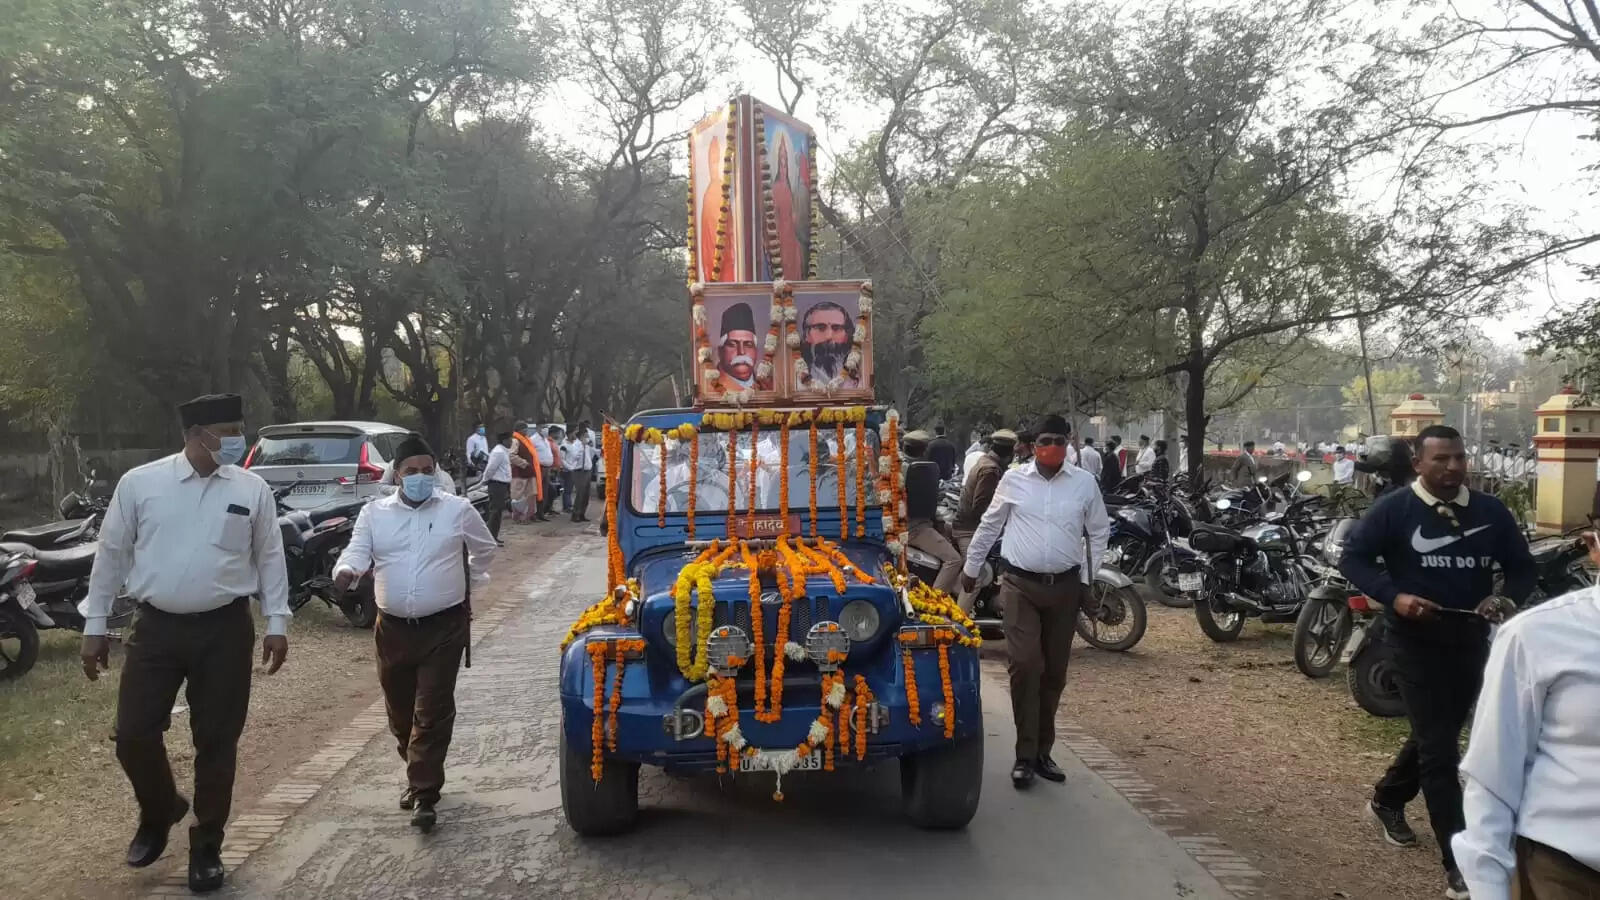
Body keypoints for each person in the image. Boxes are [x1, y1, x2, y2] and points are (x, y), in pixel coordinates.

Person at [78, 393, 291, 894]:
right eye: (229, 430)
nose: (238, 439)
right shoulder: (141, 484)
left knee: (216, 742)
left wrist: (277, 620)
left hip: (224, 629)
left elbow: (270, 555)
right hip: (156, 629)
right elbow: (110, 554)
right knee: (132, 734)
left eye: (240, 429)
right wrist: (94, 627)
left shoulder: (251, 488)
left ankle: (207, 846)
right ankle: (161, 809)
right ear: (197, 435)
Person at [1339, 425, 1535, 900]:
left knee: (1437, 733)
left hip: (1470, 640)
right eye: (1441, 459)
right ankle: (1459, 862)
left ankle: (1387, 799)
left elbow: (1523, 567)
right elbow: (1354, 560)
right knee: (1442, 750)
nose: (1452, 467)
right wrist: (1394, 596)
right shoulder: (1394, 510)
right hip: (1412, 642)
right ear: (1418, 464)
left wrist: (1504, 600)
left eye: (1459, 458)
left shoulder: (1490, 512)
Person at [333, 434, 496, 834]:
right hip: (392, 629)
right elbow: (357, 550)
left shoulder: (457, 510)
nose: (420, 478)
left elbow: (485, 549)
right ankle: (416, 769)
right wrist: (347, 570)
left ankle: (424, 792)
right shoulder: (375, 513)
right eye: (411, 472)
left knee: (432, 710)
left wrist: (467, 581)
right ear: (397, 475)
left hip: (444, 626)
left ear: (435, 471)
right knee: (400, 712)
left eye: (427, 470)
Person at [959, 414, 1109, 790]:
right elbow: (991, 524)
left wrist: (1089, 582)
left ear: (1068, 440)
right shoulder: (1014, 479)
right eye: (1045, 439)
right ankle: (1024, 756)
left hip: (1065, 588)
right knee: (1026, 665)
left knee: (1054, 674)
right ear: (1032, 444)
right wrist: (973, 566)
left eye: (1059, 439)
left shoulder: (1084, 484)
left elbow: (1098, 532)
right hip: (1019, 586)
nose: (1052, 446)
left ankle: (1043, 752)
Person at [1454, 542, 1600, 900]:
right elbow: (1493, 777)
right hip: (1567, 877)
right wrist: (1488, 887)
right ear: (1596, 545)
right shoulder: (1537, 636)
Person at [900, 430, 962, 594]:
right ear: (925, 449)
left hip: (905, 525)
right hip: (915, 527)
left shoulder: (893, 466)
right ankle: (935, 603)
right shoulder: (923, 470)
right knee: (954, 560)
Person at [799, 301, 859, 388]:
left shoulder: (861, 375)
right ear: (807, 335)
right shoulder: (794, 376)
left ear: (846, 335)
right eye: (820, 328)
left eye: (837, 328)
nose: (829, 336)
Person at [715, 302, 761, 390]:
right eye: (733, 344)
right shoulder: (710, 387)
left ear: (756, 351)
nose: (742, 352)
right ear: (720, 352)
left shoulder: (768, 387)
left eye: (748, 345)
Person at [482, 431, 514, 540]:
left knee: (499, 511)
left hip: (502, 484)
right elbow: (490, 468)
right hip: (496, 484)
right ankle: (490, 537)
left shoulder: (504, 451)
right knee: (495, 511)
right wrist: (485, 480)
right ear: (504, 441)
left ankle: (494, 536)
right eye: (510, 440)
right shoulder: (499, 452)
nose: (511, 442)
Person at [564, 427, 594, 522]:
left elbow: (592, 454)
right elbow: (575, 457)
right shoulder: (576, 445)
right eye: (586, 436)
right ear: (581, 436)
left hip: (587, 470)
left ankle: (582, 513)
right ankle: (575, 514)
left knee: (586, 494)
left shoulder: (587, 445)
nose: (588, 438)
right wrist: (582, 447)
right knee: (580, 494)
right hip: (579, 471)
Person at [543, 426, 566, 518]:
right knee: (551, 490)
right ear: (553, 433)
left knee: (556, 490)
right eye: (558, 433)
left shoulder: (553, 442)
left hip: (556, 469)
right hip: (550, 469)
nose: (560, 435)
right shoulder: (547, 442)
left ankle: (550, 508)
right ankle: (546, 509)